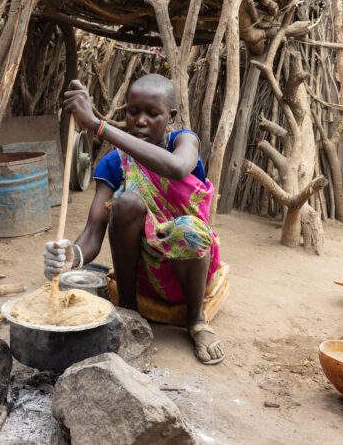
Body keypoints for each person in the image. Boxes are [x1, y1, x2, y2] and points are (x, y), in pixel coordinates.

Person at [44, 74, 224, 364]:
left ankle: (196, 320)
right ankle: (128, 307)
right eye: (132, 112)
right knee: (125, 202)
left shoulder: (183, 142)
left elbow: (177, 169)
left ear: (171, 117)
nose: (140, 121)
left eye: (152, 114)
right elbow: (93, 232)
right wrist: (70, 257)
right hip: (144, 273)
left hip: (190, 267)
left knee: (187, 229)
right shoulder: (114, 163)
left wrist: (98, 126)